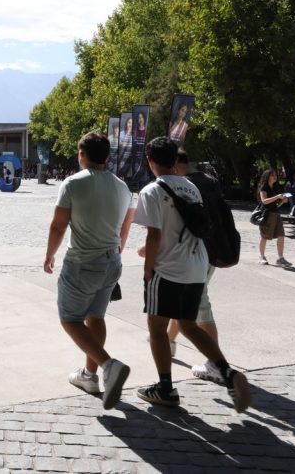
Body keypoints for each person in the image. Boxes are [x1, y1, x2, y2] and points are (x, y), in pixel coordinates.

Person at [134, 136, 250, 412]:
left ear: (150, 161)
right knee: (188, 325)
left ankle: (165, 388)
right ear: (175, 160)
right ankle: (226, 371)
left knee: (157, 329)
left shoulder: (151, 191)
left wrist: (148, 268)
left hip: (168, 268)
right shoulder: (191, 187)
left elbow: (154, 235)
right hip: (197, 266)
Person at [44, 132, 133, 410]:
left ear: (82, 155)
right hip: (112, 262)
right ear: (107, 156)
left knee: (70, 319)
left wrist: (49, 254)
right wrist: (115, 253)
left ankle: (108, 365)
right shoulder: (122, 187)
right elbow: (125, 228)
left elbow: (58, 225)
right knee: (96, 316)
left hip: (83, 263)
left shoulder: (73, 183)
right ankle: (89, 375)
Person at [164, 151, 238, 385]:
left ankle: (215, 363)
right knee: (185, 302)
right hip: (214, 249)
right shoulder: (209, 181)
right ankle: (168, 341)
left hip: (198, 252)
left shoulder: (187, 186)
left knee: (200, 304)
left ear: (176, 167)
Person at [256, 169, 292, 267]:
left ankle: (280, 258)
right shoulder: (264, 187)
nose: (275, 177)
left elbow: (275, 205)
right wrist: (277, 197)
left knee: (281, 235)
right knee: (264, 236)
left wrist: (282, 202)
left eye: (275, 175)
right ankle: (262, 257)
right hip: (267, 214)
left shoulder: (274, 188)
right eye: (272, 175)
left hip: (276, 214)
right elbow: (264, 201)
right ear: (267, 176)